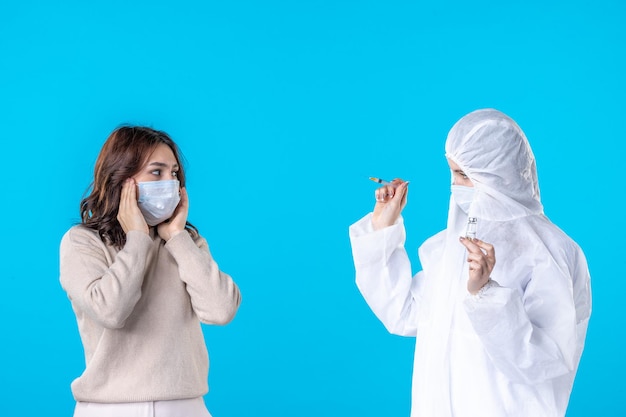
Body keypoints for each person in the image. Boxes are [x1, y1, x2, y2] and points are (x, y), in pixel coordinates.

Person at [349, 109, 591, 417]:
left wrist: (487, 293)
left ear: (500, 173)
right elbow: (406, 314)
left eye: (464, 175)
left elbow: (544, 363)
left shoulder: (550, 253)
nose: (456, 186)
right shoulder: (451, 246)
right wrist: (382, 230)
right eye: (452, 173)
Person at [60, 126, 241, 417]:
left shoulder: (186, 242)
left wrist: (178, 238)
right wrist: (138, 239)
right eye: (156, 172)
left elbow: (221, 310)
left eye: (174, 174)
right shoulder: (82, 242)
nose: (170, 182)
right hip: (110, 409)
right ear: (121, 178)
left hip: (187, 407)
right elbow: (110, 311)